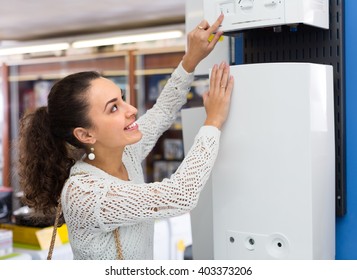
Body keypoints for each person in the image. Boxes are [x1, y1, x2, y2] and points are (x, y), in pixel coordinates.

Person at [17, 14, 234, 260]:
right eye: (114, 108)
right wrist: (213, 122)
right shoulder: (85, 193)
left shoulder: (125, 153)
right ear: (86, 134)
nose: (131, 110)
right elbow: (180, 195)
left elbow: (162, 111)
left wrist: (190, 60)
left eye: (122, 98)